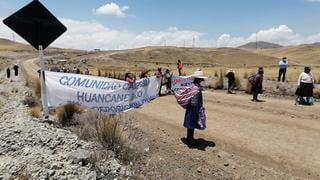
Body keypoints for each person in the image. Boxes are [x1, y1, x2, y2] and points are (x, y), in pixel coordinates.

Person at [184, 69, 208, 145]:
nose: (202, 80)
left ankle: (189, 138)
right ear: (198, 79)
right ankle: (190, 140)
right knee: (191, 124)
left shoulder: (193, 85)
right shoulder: (196, 88)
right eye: (201, 78)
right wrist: (197, 111)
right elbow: (194, 101)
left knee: (191, 124)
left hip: (190, 108)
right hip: (193, 109)